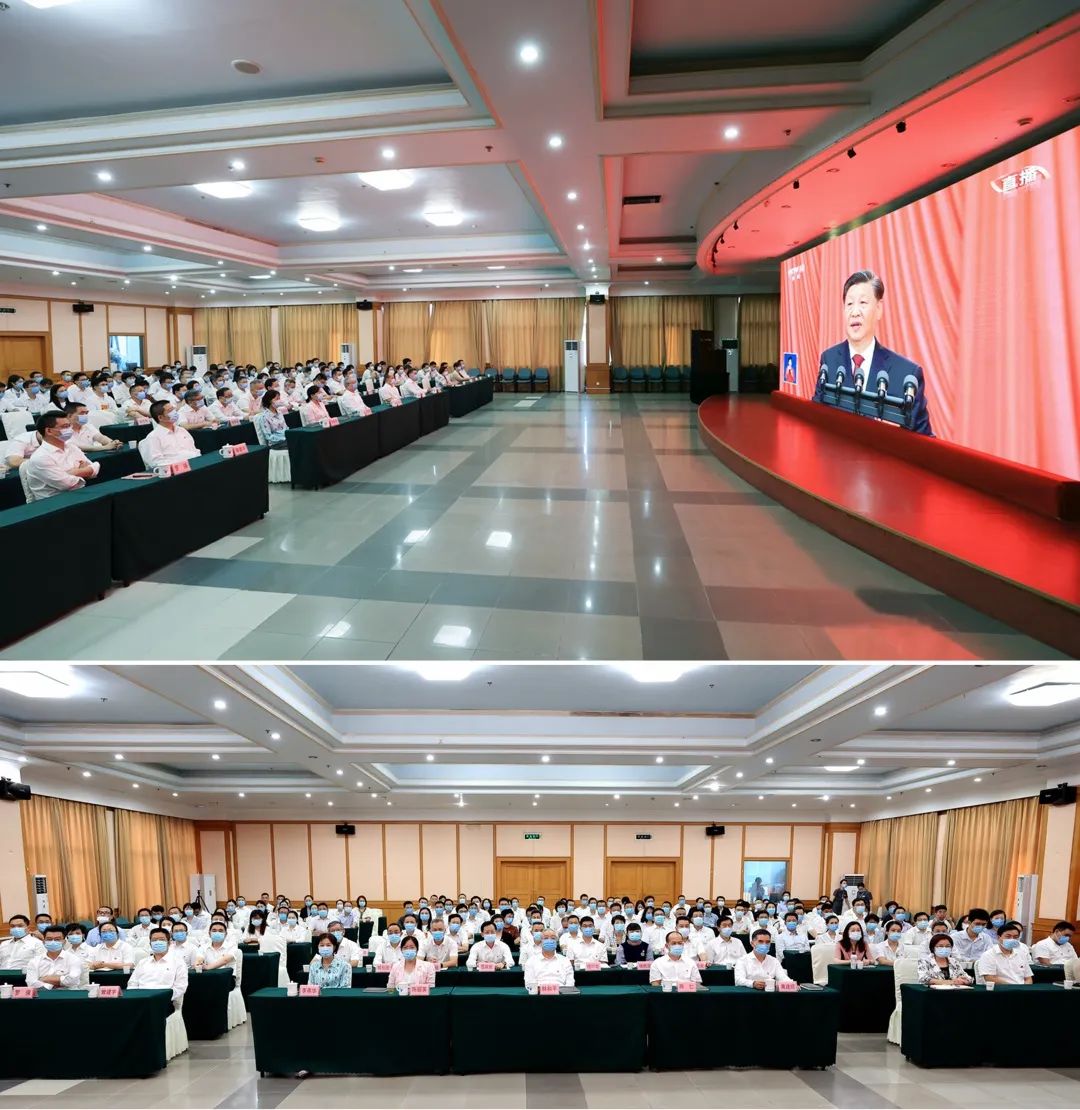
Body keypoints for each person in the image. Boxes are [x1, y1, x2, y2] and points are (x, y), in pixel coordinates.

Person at [813, 269, 933, 435]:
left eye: (863, 303)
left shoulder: (907, 375)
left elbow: (925, 443)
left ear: (878, 309)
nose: (855, 312)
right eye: (849, 304)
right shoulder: (829, 360)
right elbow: (815, 420)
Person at [22, 410, 101, 501]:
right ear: (49, 431)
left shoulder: (71, 447)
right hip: (55, 503)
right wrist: (85, 471)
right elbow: (67, 484)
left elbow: (95, 467)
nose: (70, 430)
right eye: (65, 427)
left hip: (79, 495)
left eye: (70, 426)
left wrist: (73, 472)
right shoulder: (41, 457)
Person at [128, 928, 189, 1007]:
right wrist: (135, 998)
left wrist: (160, 999)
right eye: (154, 940)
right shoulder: (142, 962)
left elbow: (180, 988)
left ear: (169, 943)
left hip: (164, 1002)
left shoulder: (178, 963)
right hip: (140, 1001)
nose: (158, 942)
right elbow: (132, 983)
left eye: (162, 939)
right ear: (150, 944)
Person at [143, 400, 200, 467]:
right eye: (170, 411)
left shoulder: (181, 430)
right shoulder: (153, 437)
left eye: (173, 409)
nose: (174, 412)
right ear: (160, 417)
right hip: (176, 469)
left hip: (194, 464)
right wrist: (180, 464)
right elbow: (157, 462)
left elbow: (194, 450)